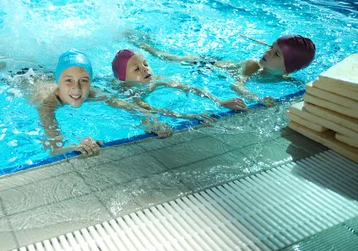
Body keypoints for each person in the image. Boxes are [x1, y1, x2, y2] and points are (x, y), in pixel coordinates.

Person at [25, 50, 214, 156]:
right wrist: (75, 146)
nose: (77, 89)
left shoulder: (92, 93)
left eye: (84, 80)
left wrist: (152, 122)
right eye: (68, 81)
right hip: (19, 76)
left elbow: (129, 107)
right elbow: (53, 148)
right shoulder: (47, 104)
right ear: (58, 84)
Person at [129, 33, 316, 107]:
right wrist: (256, 98)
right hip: (207, 64)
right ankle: (137, 39)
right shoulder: (253, 65)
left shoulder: (287, 81)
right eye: (271, 47)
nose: (267, 52)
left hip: (213, 68)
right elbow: (237, 84)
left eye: (276, 54)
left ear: (287, 69)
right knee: (165, 56)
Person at [112, 49, 247, 111]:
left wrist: (220, 101)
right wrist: (189, 117)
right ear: (123, 78)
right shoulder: (128, 92)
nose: (145, 70)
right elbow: (147, 110)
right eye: (136, 69)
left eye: (146, 64)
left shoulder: (157, 79)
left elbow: (188, 87)